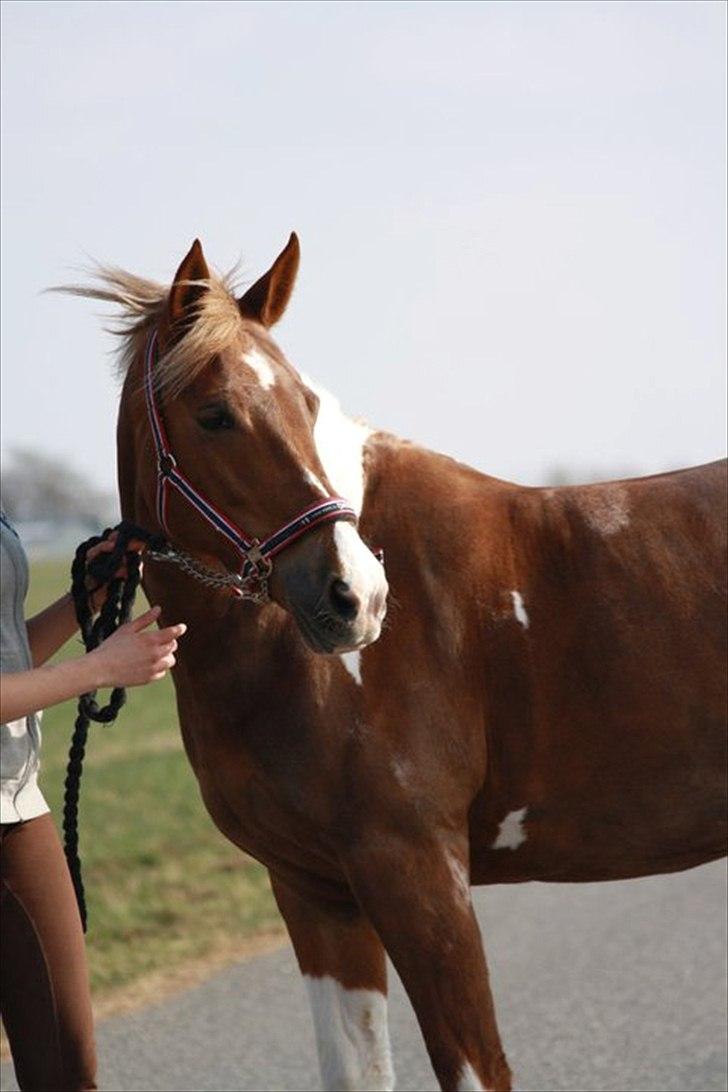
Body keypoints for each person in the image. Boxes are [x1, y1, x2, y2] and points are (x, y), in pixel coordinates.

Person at [0, 509, 186, 1091]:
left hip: (16, 808)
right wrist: (98, 668)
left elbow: (9, 657)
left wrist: (86, 594)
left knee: (67, 1068)